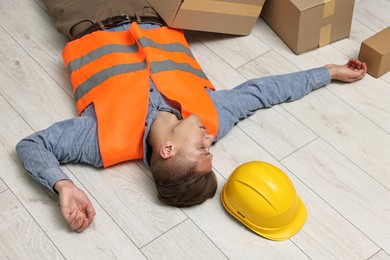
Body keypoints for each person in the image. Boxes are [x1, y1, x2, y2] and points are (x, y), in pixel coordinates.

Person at [16, 0, 368, 233]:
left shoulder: (100, 141)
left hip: (83, 12)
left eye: (201, 150)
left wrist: (62, 185)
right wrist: (329, 72)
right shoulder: (212, 117)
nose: (209, 139)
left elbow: (32, 146)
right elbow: (265, 92)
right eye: (208, 147)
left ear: (167, 151)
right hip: (150, 6)